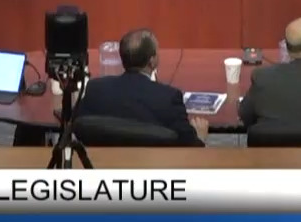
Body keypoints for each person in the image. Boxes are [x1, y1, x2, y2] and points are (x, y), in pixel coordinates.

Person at [71, 29, 202, 145]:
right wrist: (200, 137)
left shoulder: (96, 89)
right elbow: (188, 146)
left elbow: (77, 124)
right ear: (152, 61)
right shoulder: (169, 98)